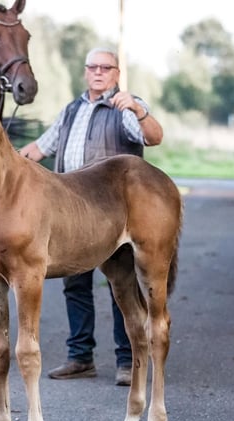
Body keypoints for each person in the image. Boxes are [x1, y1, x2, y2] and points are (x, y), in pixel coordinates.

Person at [18, 47, 164, 386]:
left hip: (111, 209)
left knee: (122, 281)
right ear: (86, 71)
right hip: (69, 209)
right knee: (75, 284)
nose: (98, 72)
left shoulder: (125, 106)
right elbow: (40, 148)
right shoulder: (72, 109)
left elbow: (153, 138)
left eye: (105, 67)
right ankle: (80, 356)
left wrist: (139, 110)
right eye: (93, 67)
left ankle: (127, 361)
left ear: (116, 73)